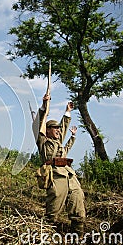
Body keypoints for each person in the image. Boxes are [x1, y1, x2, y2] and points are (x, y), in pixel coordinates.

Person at [35, 93, 86, 235]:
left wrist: (68, 111)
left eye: (58, 128)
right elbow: (40, 122)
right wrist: (44, 105)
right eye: (55, 128)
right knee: (54, 205)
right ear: (48, 130)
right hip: (55, 175)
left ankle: (78, 234)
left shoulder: (59, 141)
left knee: (77, 199)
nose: (58, 130)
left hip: (69, 174)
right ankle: (47, 233)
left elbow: (64, 126)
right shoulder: (43, 141)